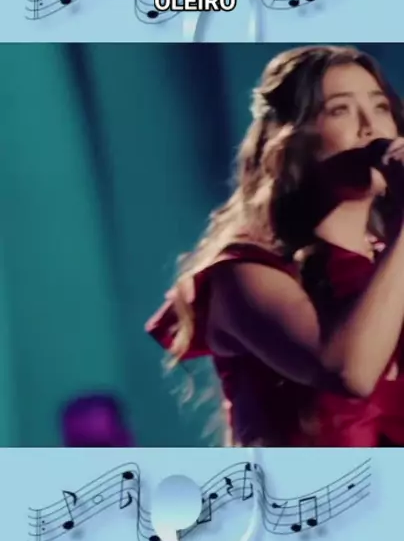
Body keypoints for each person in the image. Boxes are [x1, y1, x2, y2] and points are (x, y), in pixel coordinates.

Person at [146, 45, 404, 447]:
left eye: (380, 107)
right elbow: (348, 372)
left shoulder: (389, 257)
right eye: (340, 110)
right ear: (290, 139)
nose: (371, 127)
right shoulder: (245, 274)